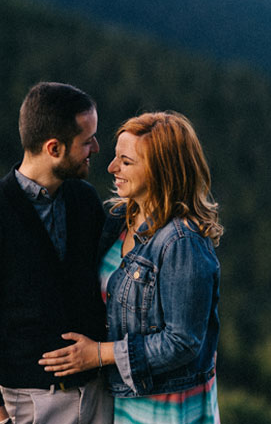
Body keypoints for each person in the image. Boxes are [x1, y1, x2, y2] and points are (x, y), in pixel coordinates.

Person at [39, 111, 222, 424]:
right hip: (123, 400)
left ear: (160, 170)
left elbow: (183, 341)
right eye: (115, 157)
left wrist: (99, 354)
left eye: (125, 162)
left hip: (165, 410)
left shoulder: (181, 242)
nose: (111, 168)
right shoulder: (117, 222)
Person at [0, 82, 112, 424]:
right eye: (87, 141)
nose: (96, 148)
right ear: (54, 148)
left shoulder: (85, 200)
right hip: (34, 406)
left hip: (100, 395)